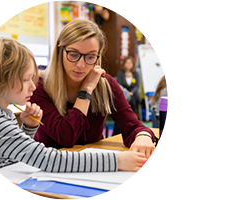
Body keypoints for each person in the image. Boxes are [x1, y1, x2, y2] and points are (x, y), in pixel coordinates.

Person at [0, 37, 147, 172]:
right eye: (26, 79)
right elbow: (48, 160)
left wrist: (29, 129)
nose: (32, 86)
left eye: (91, 57)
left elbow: (13, 152)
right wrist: (118, 161)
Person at [30, 19, 157, 159]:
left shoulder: (105, 84)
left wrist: (143, 136)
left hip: (92, 165)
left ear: (97, 57)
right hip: (48, 167)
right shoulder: (38, 86)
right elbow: (66, 137)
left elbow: (134, 126)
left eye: (90, 57)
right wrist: (86, 90)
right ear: (60, 50)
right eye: (73, 54)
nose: (81, 65)